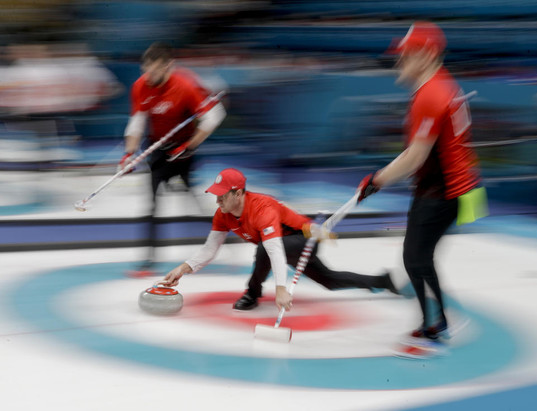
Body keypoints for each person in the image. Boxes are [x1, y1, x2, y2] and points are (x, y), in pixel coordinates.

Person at [357, 22, 481, 342]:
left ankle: (435, 322)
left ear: (426, 54)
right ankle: (435, 319)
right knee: (418, 256)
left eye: (405, 55)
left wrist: (376, 180)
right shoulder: (440, 85)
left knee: (415, 257)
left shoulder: (431, 93)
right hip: (453, 189)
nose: (399, 62)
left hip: (443, 191)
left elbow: (415, 157)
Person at [160, 168, 398, 311]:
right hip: (282, 244)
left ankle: (252, 294)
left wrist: (281, 289)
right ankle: (382, 281)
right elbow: (210, 249)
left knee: (264, 248)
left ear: (238, 193)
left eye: (222, 196)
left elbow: (274, 250)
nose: (217, 201)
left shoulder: (263, 209)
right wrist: (183, 268)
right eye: (216, 196)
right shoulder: (223, 215)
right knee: (329, 281)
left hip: (303, 238)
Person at [120, 42, 226, 277]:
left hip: (184, 151)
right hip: (157, 149)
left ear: (169, 66)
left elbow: (215, 116)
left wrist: (189, 146)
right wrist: (129, 153)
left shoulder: (186, 84)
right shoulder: (140, 86)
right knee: (151, 206)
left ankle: (218, 243)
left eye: (156, 71)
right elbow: (137, 121)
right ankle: (148, 261)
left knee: (193, 203)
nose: (151, 76)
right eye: (147, 71)